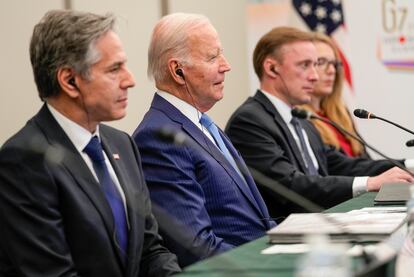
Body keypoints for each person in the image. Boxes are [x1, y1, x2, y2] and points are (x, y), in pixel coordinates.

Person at [0, 10, 180, 276]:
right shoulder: (23, 160)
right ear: (70, 81)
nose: (130, 80)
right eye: (114, 69)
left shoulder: (123, 145)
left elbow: (151, 250)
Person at [132, 13, 275, 267]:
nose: (226, 65)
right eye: (212, 57)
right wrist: (267, 263)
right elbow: (195, 246)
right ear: (178, 71)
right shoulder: (158, 137)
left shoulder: (202, 123)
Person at [226, 26, 414, 219]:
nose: (315, 76)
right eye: (305, 65)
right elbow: (289, 185)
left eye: (316, 65)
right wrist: (369, 183)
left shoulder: (302, 120)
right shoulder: (250, 121)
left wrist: (408, 165)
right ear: (272, 68)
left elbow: (342, 166)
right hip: (286, 232)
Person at [301, 32, 369, 158]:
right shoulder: (300, 119)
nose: (332, 70)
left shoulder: (341, 113)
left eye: (334, 63)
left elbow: (366, 161)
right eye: (321, 62)